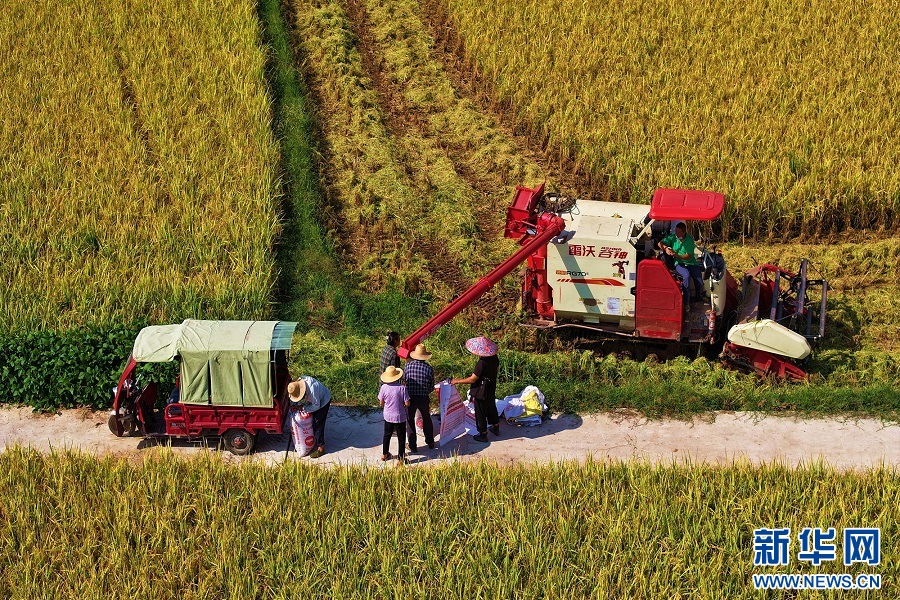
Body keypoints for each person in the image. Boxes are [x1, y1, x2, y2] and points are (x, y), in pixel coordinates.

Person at [449, 336, 500, 443]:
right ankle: (496, 428)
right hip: (491, 387)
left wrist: (457, 381)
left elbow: (472, 379)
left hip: (481, 390)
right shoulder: (495, 358)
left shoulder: (481, 364)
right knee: (491, 408)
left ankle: (483, 434)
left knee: (480, 412)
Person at [658, 222, 705, 309]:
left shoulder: (690, 240)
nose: (676, 233)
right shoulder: (672, 237)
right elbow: (660, 243)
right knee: (686, 276)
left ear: (684, 232)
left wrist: (676, 255)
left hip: (691, 262)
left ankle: (699, 297)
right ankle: (686, 302)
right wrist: (666, 248)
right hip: (679, 263)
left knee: (699, 281)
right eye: (675, 231)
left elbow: (688, 256)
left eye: (678, 232)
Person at [287, 376, 332, 459]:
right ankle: (313, 440)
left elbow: (316, 406)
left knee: (317, 423)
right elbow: (298, 396)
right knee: (312, 420)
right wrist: (296, 405)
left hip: (323, 401)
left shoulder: (312, 390)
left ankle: (321, 448)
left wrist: (303, 408)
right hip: (316, 400)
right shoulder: (297, 385)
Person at [404, 343, 436, 452]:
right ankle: (430, 441)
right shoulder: (429, 369)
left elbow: (404, 381)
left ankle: (413, 446)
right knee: (426, 418)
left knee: (410, 421)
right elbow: (431, 386)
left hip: (410, 398)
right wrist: (425, 392)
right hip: (423, 398)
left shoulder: (407, 366)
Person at [378, 365, 410, 463]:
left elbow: (381, 402)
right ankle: (401, 458)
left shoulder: (383, 387)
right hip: (400, 416)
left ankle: (385, 454)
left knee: (387, 435)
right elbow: (407, 403)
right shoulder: (402, 388)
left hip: (388, 416)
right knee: (401, 438)